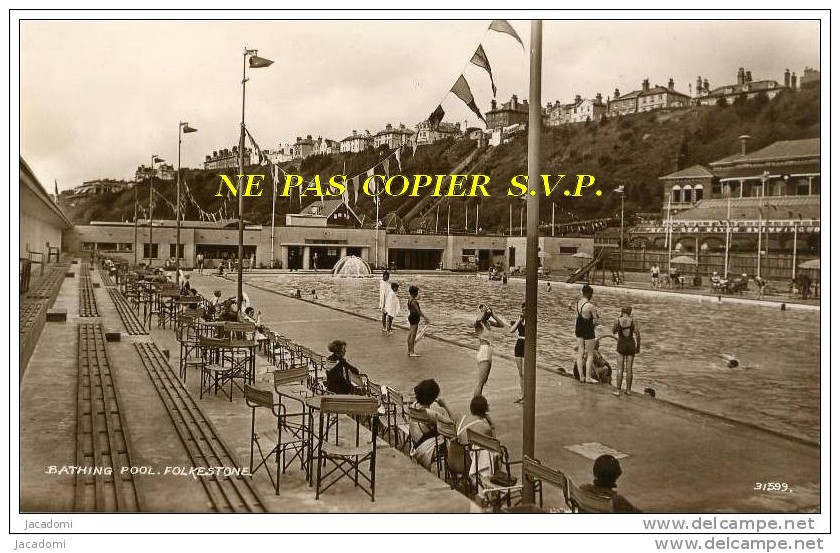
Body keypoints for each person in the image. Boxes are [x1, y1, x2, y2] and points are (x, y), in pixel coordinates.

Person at [409, 379, 453, 470]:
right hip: (427, 449)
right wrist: (445, 405)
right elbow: (452, 423)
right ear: (433, 398)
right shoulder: (430, 414)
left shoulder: (414, 406)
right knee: (456, 439)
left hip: (416, 446)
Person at [453, 395, 496, 478]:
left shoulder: (462, 418)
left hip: (456, 456)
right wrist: (492, 426)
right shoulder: (484, 427)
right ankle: (495, 479)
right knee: (496, 453)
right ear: (485, 410)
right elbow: (494, 445)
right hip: (470, 461)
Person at [474, 304, 507, 398]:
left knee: (484, 381)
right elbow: (478, 319)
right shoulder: (478, 324)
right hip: (484, 351)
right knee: (480, 382)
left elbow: (502, 325)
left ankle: (479, 400)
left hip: (488, 351)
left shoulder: (488, 323)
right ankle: (476, 402)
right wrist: (483, 311)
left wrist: (493, 314)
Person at [573, 284, 600, 384]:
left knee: (580, 352)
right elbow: (596, 321)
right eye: (591, 294)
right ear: (589, 294)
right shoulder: (590, 306)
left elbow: (578, 316)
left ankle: (581, 377)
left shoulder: (578, 304)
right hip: (588, 330)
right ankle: (588, 377)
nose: (592, 296)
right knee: (590, 354)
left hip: (578, 328)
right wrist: (596, 318)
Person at [612, 305, 641, 397]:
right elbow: (638, 335)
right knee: (629, 369)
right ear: (630, 312)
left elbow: (613, 331)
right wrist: (638, 347)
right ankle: (628, 390)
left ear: (622, 311)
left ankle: (618, 391)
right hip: (631, 344)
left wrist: (618, 327)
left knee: (620, 368)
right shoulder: (633, 320)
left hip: (621, 344)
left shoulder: (617, 320)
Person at [509, 302, 526, 403]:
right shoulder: (520, 319)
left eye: (526, 310)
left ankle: (526, 395)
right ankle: (522, 394)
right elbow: (511, 330)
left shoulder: (531, 320)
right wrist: (519, 320)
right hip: (519, 344)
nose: (524, 311)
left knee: (525, 372)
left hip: (527, 344)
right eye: (523, 309)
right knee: (521, 373)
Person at [406, 285, 429, 357]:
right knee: (413, 335)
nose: (417, 293)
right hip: (414, 318)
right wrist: (425, 317)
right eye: (417, 292)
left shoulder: (409, 300)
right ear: (414, 293)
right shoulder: (414, 301)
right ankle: (412, 352)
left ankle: (410, 350)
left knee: (410, 334)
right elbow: (418, 311)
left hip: (411, 317)